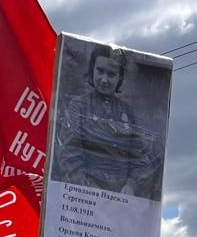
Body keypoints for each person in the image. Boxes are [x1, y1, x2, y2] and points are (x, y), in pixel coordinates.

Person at [53, 44, 159, 198]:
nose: (104, 79)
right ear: (92, 70)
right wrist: (89, 191)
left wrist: (131, 185)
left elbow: (141, 155)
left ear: (119, 77)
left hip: (123, 197)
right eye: (100, 71)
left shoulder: (128, 113)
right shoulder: (78, 106)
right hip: (85, 197)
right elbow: (69, 153)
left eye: (111, 74)